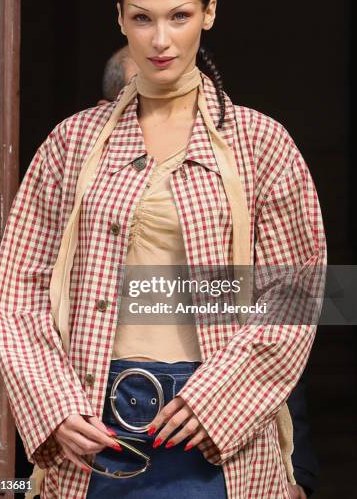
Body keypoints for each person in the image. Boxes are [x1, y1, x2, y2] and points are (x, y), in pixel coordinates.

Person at [0, 0, 326, 499]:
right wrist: (54, 404)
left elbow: (295, 297)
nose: (161, 39)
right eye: (142, 18)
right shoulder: (71, 143)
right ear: (120, 19)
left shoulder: (262, 144)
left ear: (209, 14)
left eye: (180, 16)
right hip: (92, 428)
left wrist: (219, 399)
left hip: (217, 434)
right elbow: (15, 292)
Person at [98, 47, 321, 499]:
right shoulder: (86, 205)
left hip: (220, 450)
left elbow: (277, 326)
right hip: (105, 445)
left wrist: (295, 473)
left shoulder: (223, 203)